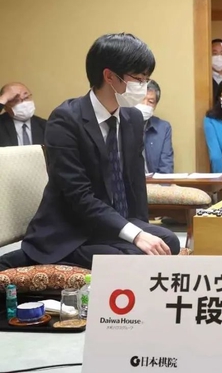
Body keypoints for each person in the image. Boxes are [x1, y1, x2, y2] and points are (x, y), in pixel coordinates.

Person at [0, 33, 181, 271]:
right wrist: (136, 235)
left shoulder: (133, 118)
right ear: (109, 76)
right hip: (72, 229)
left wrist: (141, 230)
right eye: (138, 78)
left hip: (114, 223)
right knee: (131, 257)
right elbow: (78, 195)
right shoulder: (66, 119)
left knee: (168, 242)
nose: (143, 86)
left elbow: (135, 183)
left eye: (147, 79)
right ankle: (34, 256)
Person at [135, 79, 174, 174]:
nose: (145, 104)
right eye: (141, 99)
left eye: (150, 101)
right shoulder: (121, 123)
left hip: (154, 181)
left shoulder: (163, 128)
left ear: (155, 105)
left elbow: (166, 168)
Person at [0, 83, 46, 147]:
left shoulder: (45, 126)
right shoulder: (1, 124)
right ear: (5, 106)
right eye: (15, 100)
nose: (23, 103)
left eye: (26, 97)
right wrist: (4, 98)